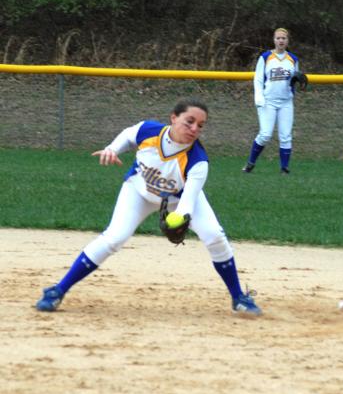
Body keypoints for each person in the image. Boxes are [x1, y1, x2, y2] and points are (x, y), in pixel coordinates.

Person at [36, 99, 262, 316]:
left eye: (200, 125)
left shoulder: (198, 161)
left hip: (178, 199)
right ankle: (57, 290)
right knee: (114, 238)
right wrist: (112, 149)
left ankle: (238, 298)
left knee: (214, 236)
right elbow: (128, 135)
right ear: (173, 118)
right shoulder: (149, 130)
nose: (194, 128)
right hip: (139, 191)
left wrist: (181, 219)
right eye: (189, 121)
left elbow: (188, 201)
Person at [242, 27, 304, 174]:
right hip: (268, 101)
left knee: (285, 135)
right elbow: (258, 79)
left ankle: (284, 168)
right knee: (265, 134)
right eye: (278, 38)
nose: (281, 41)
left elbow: (293, 80)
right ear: (274, 40)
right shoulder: (265, 57)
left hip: (286, 102)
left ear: (287, 41)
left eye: (284, 38)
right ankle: (250, 163)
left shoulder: (293, 59)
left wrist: (294, 85)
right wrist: (259, 97)